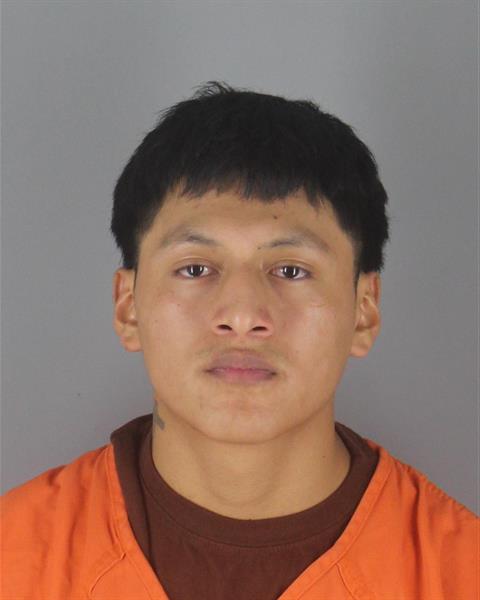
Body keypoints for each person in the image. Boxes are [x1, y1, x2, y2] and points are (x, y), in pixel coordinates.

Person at [1, 81, 477, 600]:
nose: (243, 316)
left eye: (291, 270)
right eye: (195, 268)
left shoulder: (461, 573)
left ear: (364, 311)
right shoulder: (13, 555)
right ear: (127, 306)